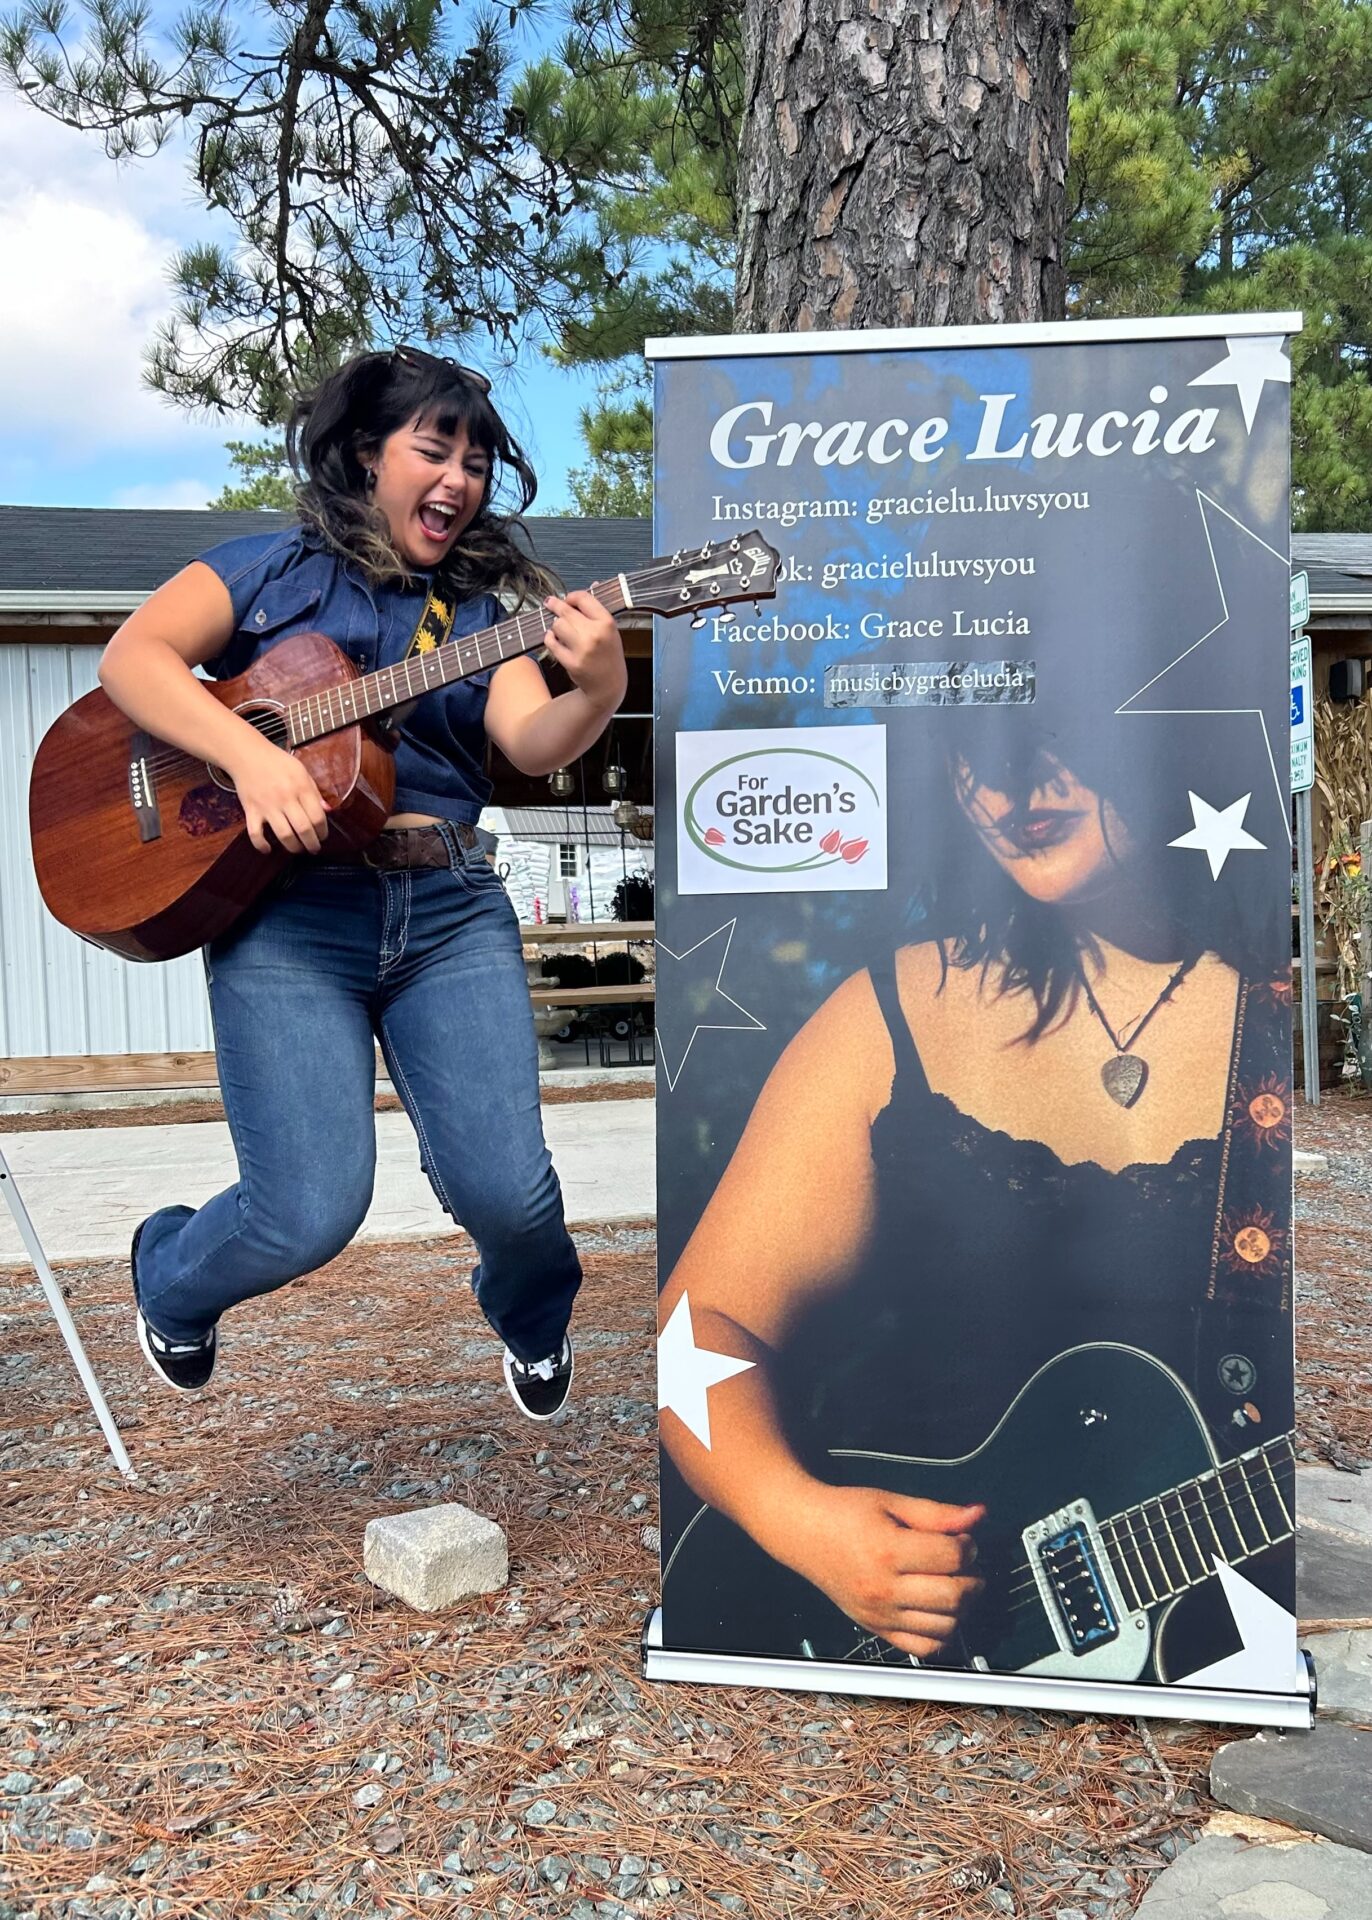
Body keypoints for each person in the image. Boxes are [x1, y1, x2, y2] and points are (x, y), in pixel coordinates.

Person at [658, 717, 1292, 1668]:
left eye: (1062, 719)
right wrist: (802, 1522)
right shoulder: (887, 1014)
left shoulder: (1276, 1010)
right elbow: (695, 1328)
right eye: (971, 741)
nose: (1010, 776)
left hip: (1210, 1675)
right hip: (872, 1692)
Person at [97, 347, 627, 1421]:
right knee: (305, 1211)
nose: (459, 479)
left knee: (508, 1194)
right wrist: (250, 756)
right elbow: (135, 659)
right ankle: (170, 1273)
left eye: (476, 459)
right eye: (435, 449)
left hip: (446, 909)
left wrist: (602, 686)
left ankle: (529, 1323)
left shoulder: (481, 608)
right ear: (362, 454)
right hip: (290, 915)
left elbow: (528, 740)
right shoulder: (265, 568)